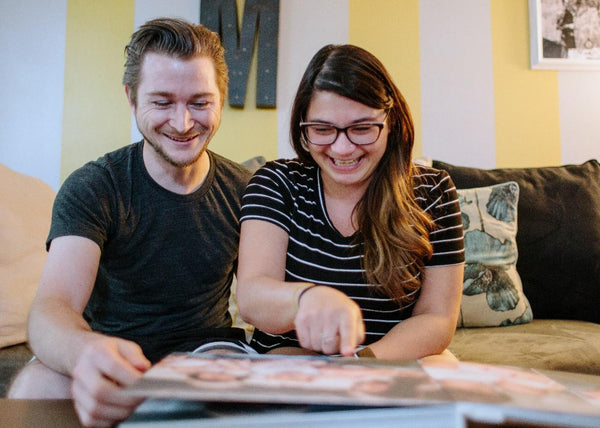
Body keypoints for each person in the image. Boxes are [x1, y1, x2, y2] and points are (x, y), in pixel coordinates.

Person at [8, 18, 253, 426]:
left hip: (208, 359)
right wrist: (85, 352)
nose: (182, 122)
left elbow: (262, 295)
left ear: (220, 99)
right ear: (132, 98)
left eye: (199, 102)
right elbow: (54, 306)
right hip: (109, 355)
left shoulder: (247, 190)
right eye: (162, 102)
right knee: (37, 387)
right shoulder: (94, 186)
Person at [236, 44, 465, 361]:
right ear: (302, 129)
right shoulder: (276, 183)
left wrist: (361, 364)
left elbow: (437, 319)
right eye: (322, 129)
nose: (342, 148)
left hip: (387, 360)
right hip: (290, 358)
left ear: (391, 121)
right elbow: (251, 296)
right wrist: (307, 299)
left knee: (444, 370)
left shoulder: (434, 192)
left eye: (362, 128)